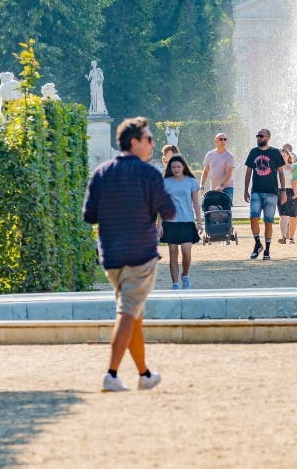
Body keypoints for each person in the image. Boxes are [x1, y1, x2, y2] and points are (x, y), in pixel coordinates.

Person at [83, 116, 173, 392]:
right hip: (140, 254)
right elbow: (168, 211)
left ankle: (144, 374)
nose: (152, 144)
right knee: (127, 313)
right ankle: (111, 374)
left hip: (111, 255)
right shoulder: (149, 174)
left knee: (134, 316)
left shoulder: (101, 172)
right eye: (148, 139)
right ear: (134, 142)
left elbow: (89, 215)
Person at [243, 128, 287, 260]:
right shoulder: (253, 152)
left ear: (268, 137)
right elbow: (248, 172)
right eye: (257, 136)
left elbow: (281, 173)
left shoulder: (275, 152)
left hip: (271, 192)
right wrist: (245, 190)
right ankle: (258, 244)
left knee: (268, 221)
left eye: (261, 136)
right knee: (253, 217)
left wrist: (283, 191)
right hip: (256, 191)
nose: (258, 138)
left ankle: (267, 250)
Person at [160, 155, 203, 289]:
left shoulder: (191, 182)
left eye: (178, 167)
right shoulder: (165, 182)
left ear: (183, 167)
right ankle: (175, 283)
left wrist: (199, 222)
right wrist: (158, 225)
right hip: (170, 221)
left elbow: (196, 203)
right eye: (173, 167)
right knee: (173, 252)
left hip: (187, 221)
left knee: (186, 252)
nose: (176, 169)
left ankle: (185, 275)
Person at [277, 144, 297, 244]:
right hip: (281, 191)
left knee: (293, 216)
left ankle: (291, 238)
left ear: (288, 156)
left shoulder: (293, 167)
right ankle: (283, 237)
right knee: (283, 215)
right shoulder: (276, 168)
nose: (282, 158)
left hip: (294, 192)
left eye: (284, 156)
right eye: (280, 156)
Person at [202, 133, 237, 200]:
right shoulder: (210, 154)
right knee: (210, 206)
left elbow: (229, 174)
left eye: (225, 139)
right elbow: (205, 171)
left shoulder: (229, 156)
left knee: (225, 206)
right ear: (216, 141)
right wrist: (202, 185)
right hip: (214, 189)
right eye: (221, 139)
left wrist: (221, 186)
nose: (223, 141)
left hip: (227, 188)